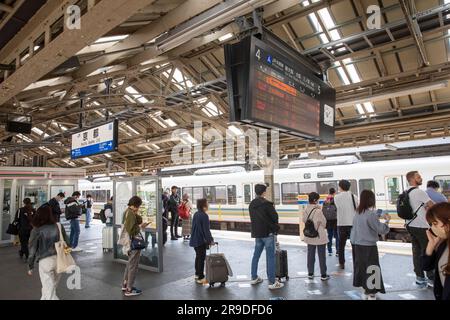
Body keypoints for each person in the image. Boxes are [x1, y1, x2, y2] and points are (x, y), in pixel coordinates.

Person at [350, 190, 390, 300]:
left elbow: (355, 229)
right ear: (371, 200)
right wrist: (387, 221)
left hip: (357, 245)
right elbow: (381, 229)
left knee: (362, 268)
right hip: (369, 247)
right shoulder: (370, 214)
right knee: (372, 268)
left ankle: (365, 290)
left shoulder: (357, 213)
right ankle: (372, 293)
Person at [28, 205, 69, 300]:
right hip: (59, 260)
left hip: (45, 261)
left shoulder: (36, 229)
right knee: (50, 288)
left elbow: (32, 249)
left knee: (49, 289)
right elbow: (68, 243)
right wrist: (66, 254)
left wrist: (30, 266)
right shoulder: (58, 226)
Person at [249, 184, 284, 290]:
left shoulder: (251, 204)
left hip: (257, 234)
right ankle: (272, 282)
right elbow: (275, 217)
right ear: (264, 192)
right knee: (270, 257)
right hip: (268, 234)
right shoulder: (267, 204)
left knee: (256, 256)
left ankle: (254, 277)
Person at [405, 171, 435, 287]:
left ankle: (420, 278)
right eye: (418, 177)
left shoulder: (406, 192)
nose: (421, 178)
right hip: (422, 226)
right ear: (412, 179)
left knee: (416, 252)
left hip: (410, 225)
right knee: (428, 251)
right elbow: (433, 205)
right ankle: (431, 277)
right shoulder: (419, 192)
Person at [121, 196, 149, 297]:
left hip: (129, 242)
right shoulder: (130, 214)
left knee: (129, 264)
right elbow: (132, 230)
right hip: (133, 243)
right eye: (138, 206)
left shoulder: (129, 212)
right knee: (133, 265)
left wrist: (136, 214)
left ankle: (125, 284)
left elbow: (139, 220)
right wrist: (141, 227)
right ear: (135, 205)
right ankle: (129, 289)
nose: (138, 208)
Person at [423, 202, 450, 300]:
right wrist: (431, 246)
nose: (432, 228)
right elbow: (426, 266)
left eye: (435, 223)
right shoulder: (443, 243)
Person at [303, 192, 330, 281]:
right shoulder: (318, 211)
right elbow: (324, 223)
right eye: (318, 200)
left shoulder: (306, 210)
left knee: (310, 255)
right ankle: (323, 275)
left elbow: (304, 220)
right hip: (319, 237)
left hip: (310, 236)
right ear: (315, 200)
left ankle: (310, 273)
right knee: (321, 256)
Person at [334, 179, 358, 269]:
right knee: (354, 245)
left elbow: (338, 207)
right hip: (352, 224)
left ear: (340, 187)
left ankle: (342, 263)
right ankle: (356, 263)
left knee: (341, 245)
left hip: (341, 224)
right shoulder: (354, 196)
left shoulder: (336, 197)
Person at [189, 198, 215, 284]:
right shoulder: (204, 215)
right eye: (207, 203)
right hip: (200, 240)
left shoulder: (196, 214)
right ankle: (200, 277)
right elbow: (206, 231)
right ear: (204, 205)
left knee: (198, 257)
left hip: (194, 239)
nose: (208, 205)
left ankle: (197, 274)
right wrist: (210, 240)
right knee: (201, 258)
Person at [323, 188, 339, 257]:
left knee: (329, 236)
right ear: (334, 192)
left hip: (328, 221)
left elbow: (323, 211)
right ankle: (337, 251)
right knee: (337, 236)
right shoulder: (336, 199)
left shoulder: (325, 200)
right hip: (335, 220)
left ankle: (329, 251)